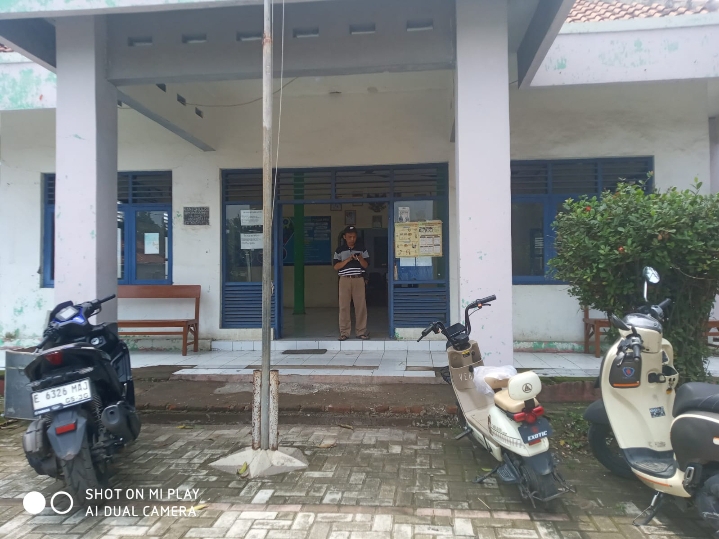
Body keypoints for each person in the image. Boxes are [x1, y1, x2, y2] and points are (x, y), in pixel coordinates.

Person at [333, 226, 370, 340]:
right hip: (344, 279)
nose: (352, 239)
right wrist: (348, 259)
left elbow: (366, 265)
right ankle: (344, 332)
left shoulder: (362, 249)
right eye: (349, 237)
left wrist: (360, 258)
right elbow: (336, 266)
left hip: (358, 279)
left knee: (360, 306)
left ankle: (361, 332)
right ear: (344, 237)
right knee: (344, 306)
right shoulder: (339, 250)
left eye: (354, 237)